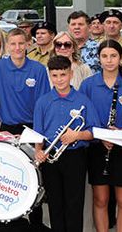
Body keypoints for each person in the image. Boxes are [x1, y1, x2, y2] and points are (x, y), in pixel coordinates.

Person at [0, 28, 50, 231]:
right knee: (8, 176)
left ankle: (36, 222)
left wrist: (37, 138)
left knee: (34, 176)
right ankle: (10, 219)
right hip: (7, 129)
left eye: (21, 43)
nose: (18, 48)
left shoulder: (38, 70)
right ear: (7, 45)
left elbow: (42, 106)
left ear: (28, 45)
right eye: (13, 44)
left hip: (32, 128)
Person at [80, 40, 122, 232]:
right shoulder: (89, 84)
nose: (109, 60)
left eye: (113, 56)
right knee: (100, 199)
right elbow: (83, 117)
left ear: (121, 58)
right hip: (98, 146)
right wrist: (100, 135)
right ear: (99, 58)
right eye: (104, 56)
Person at [33, 55, 94, 232]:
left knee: (74, 202)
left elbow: (93, 132)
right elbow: (38, 133)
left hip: (75, 156)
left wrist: (77, 135)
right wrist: (39, 151)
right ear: (50, 76)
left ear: (71, 73)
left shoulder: (82, 100)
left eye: (63, 75)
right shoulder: (43, 101)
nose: (59, 79)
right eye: (55, 75)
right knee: (54, 202)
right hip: (51, 156)